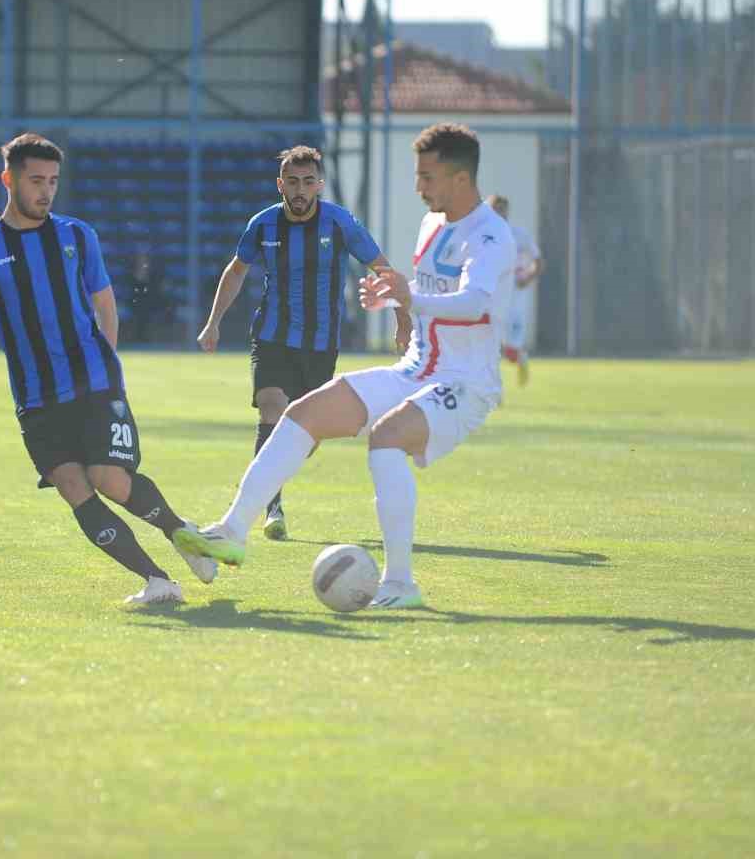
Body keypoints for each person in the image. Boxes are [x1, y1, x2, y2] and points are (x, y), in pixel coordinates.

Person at [175, 123, 516, 608]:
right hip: (416, 370)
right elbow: (420, 296)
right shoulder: (431, 225)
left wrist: (408, 296)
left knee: (387, 439)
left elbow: (479, 303)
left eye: (427, 177)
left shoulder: (490, 235)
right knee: (301, 415)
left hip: (464, 382)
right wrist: (391, 300)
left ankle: (400, 584)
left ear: (460, 179)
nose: (418, 187)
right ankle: (231, 532)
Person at [0, 133, 216, 605]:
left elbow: (104, 302)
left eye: (53, 181)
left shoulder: (76, 235)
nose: (45, 191)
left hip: (93, 380)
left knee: (108, 478)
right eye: (35, 180)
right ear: (9, 180)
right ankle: (157, 581)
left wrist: (108, 362)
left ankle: (184, 536)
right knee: (73, 487)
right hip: (35, 395)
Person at [196, 145, 402, 541]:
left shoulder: (340, 223)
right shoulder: (263, 224)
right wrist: (213, 323)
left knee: (305, 436)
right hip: (271, 336)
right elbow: (236, 271)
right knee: (272, 409)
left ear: (320, 184)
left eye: (308, 182)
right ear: (280, 185)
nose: (300, 189)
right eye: (292, 182)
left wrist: (402, 319)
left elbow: (383, 269)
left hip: (321, 345)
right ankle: (271, 506)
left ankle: (275, 479)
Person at [485, 194, 544, 386]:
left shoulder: (519, 235)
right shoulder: (482, 237)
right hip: (491, 298)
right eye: (493, 210)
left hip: (516, 298)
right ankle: (493, 389)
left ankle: (519, 357)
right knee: (488, 345)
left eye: (501, 210)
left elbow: (538, 262)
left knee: (510, 350)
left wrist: (527, 277)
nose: (497, 213)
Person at [125, 250, 170, 345]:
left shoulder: (153, 275)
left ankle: (149, 338)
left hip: (150, 304)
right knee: (140, 310)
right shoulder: (131, 274)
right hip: (135, 304)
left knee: (148, 309)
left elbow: (155, 291)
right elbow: (130, 291)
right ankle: (138, 338)